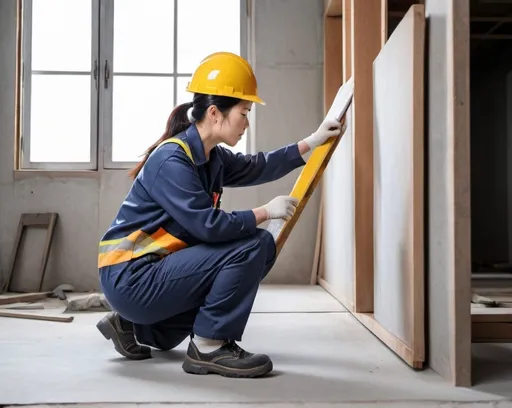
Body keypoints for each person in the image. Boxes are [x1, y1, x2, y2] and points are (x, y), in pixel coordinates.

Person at [96, 51, 342, 378]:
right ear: (215, 113)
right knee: (254, 245)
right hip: (131, 276)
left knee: (250, 261)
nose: (247, 121)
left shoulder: (211, 157)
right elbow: (208, 226)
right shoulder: (172, 160)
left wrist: (311, 142)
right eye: (244, 112)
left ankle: (132, 326)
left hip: (149, 274)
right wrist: (265, 212)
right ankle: (209, 347)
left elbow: (259, 165)